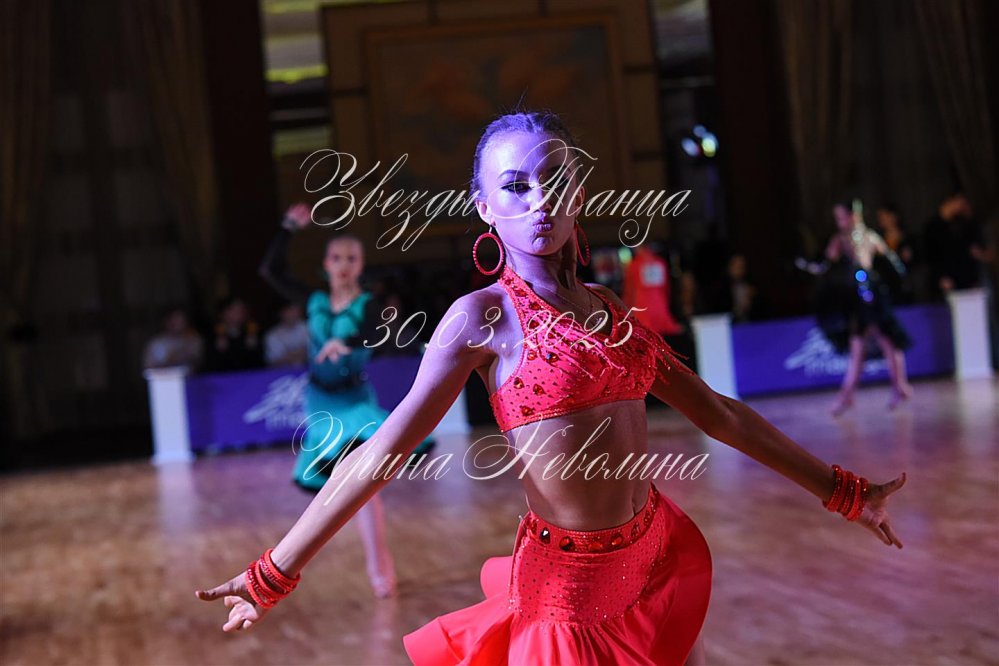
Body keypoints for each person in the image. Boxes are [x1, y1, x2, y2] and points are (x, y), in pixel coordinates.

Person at [198, 112, 906, 665]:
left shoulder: (610, 310)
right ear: (483, 206)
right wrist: (273, 571)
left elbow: (719, 414)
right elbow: (380, 452)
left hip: (654, 558)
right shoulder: (481, 318)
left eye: (555, 180)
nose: (539, 201)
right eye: (514, 186)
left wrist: (843, 492)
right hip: (565, 597)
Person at [258, 204, 435, 599]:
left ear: (361, 265)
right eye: (336, 257)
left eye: (351, 258)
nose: (343, 264)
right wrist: (287, 228)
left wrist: (346, 342)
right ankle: (298, 564)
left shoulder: (367, 304)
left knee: (362, 486)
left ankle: (378, 566)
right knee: (338, 489)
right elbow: (270, 271)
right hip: (320, 403)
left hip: (356, 404)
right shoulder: (313, 300)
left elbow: (376, 334)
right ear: (325, 264)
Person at [818, 201, 914, 416]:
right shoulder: (849, 238)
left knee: (884, 341)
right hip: (859, 297)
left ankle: (896, 387)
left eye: (842, 217)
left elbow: (879, 261)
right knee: (864, 345)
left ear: (854, 216)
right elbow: (828, 263)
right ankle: (859, 393)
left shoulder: (861, 237)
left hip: (869, 295)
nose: (839, 222)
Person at [924, 192, 991, 300]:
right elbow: (932, 256)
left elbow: (970, 253)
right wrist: (941, 276)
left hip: (967, 281)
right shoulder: (933, 227)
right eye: (959, 203)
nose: (960, 207)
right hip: (946, 281)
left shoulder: (962, 225)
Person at [205, 297, 263, 372]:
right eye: (234, 309)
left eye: (241, 310)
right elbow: (209, 367)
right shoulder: (212, 335)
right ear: (223, 313)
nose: (239, 313)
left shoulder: (252, 333)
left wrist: (253, 349)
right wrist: (218, 352)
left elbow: (260, 365)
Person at [264, 302, 309, 367]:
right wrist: (300, 353)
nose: (292, 313)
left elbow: (315, 353)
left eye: (295, 309)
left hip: (309, 370)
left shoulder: (309, 328)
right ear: (281, 313)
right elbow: (273, 360)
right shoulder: (272, 335)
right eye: (289, 310)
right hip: (283, 371)